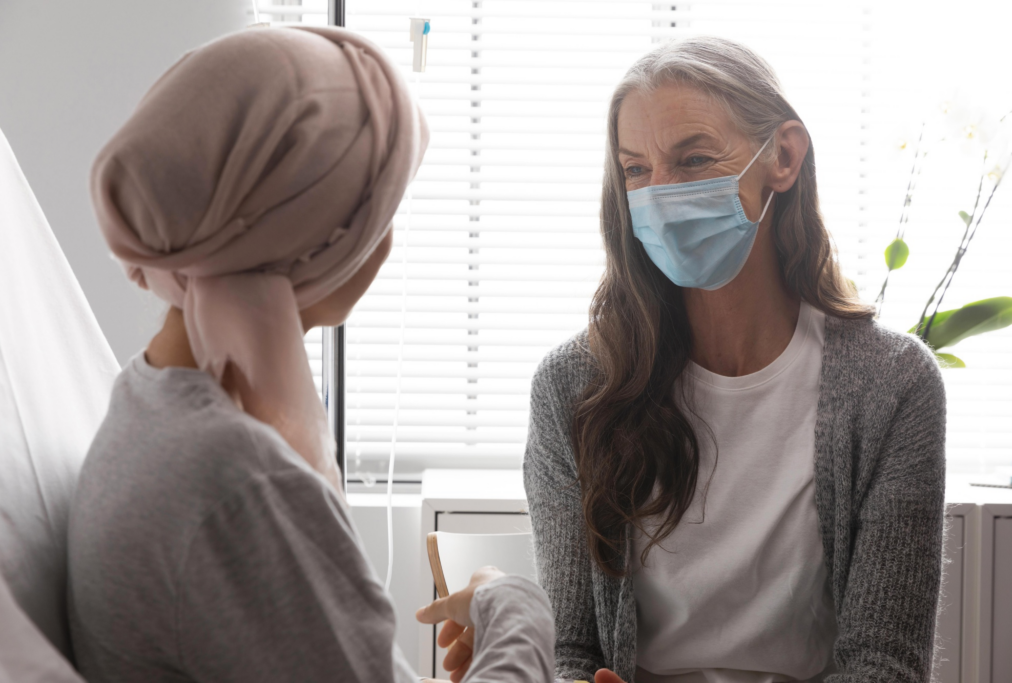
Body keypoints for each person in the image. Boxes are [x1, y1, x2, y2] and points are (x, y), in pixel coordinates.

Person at [67, 26, 554, 683]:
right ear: (325, 243)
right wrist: (517, 607)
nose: (386, 242)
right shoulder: (238, 480)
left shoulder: (145, 402)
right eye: (380, 209)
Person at [524, 36, 946, 683]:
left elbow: (884, 663)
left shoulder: (894, 385)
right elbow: (576, 651)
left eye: (692, 159)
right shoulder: (573, 386)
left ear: (783, 155)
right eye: (636, 170)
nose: (659, 196)